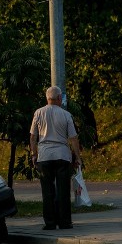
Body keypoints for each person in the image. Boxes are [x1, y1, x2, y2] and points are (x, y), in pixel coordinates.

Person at [29, 86, 81, 230]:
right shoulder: (66, 115)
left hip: (44, 156)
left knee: (47, 191)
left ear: (47, 98)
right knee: (63, 191)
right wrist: (77, 157)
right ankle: (64, 222)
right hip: (62, 156)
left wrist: (34, 155)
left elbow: (33, 137)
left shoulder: (38, 113)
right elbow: (73, 138)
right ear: (59, 98)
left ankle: (50, 223)